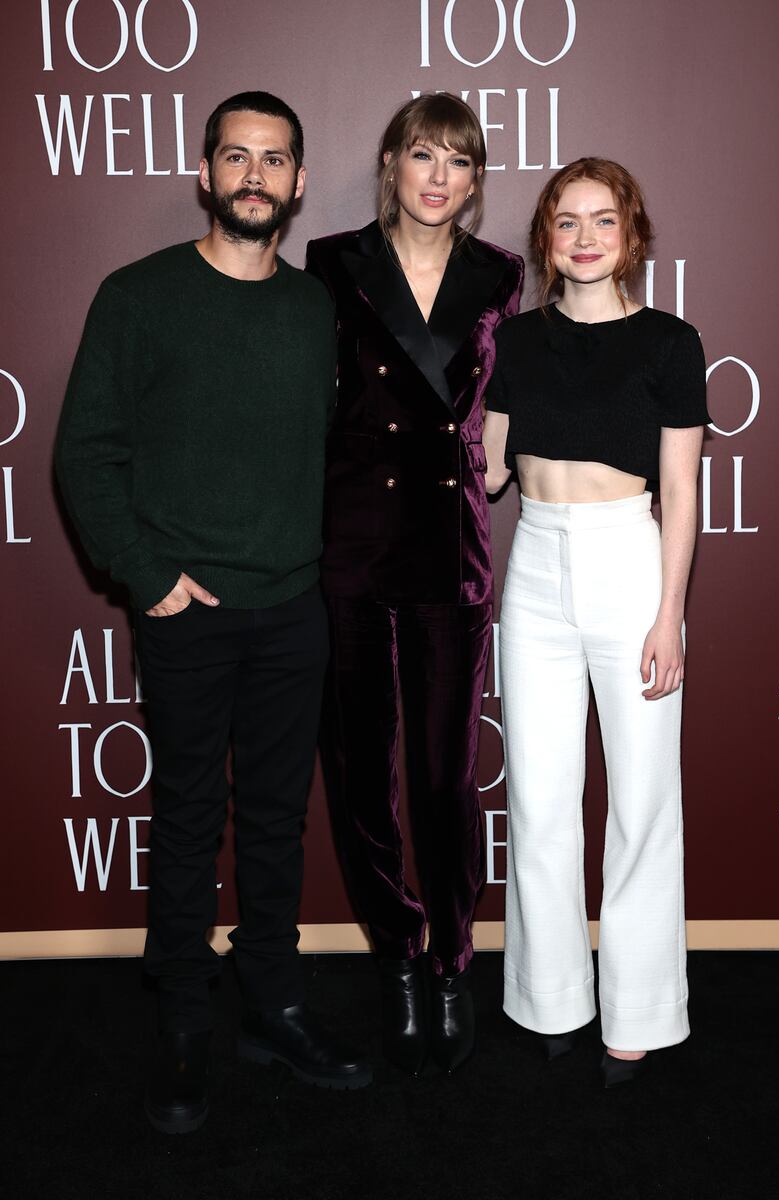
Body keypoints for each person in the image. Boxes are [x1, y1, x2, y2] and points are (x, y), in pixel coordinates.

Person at [56, 90, 371, 1135]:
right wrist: (145, 575)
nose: (252, 176)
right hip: (185, 609)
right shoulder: (136, 296)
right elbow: (84, 453)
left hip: (293, 610)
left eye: (272, 160)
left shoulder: (313, 308)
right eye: (234, 157)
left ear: (295, 182)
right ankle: (185, 1020)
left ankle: (270, 1002)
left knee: (278, 821)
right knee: (190, 818)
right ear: (204, 174)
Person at [306, 93, 524, 1075]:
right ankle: (394, 954)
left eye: (459, 162)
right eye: (422, 155)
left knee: (442, 775)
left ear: (475, 182)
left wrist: (507, 462)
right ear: (390, 163)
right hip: (350, 543)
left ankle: (448, 961)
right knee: (360, 773)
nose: (439, 176)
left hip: (449, 545)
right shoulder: (332, 265)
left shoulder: (501, 276)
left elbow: (514, 403)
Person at [483, 157, 709, 1086]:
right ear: (545, 238)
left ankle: (640, 1010)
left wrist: (670, 612)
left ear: (632, 235)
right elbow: (486, 472)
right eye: (566, 222)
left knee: (643, 800)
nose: (584, 238)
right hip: (533, 566)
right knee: (539, 798)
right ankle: (550, 999)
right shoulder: (516, 341)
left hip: (630, 564)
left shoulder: (670, 342)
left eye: (602, 221)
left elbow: (684, 490)